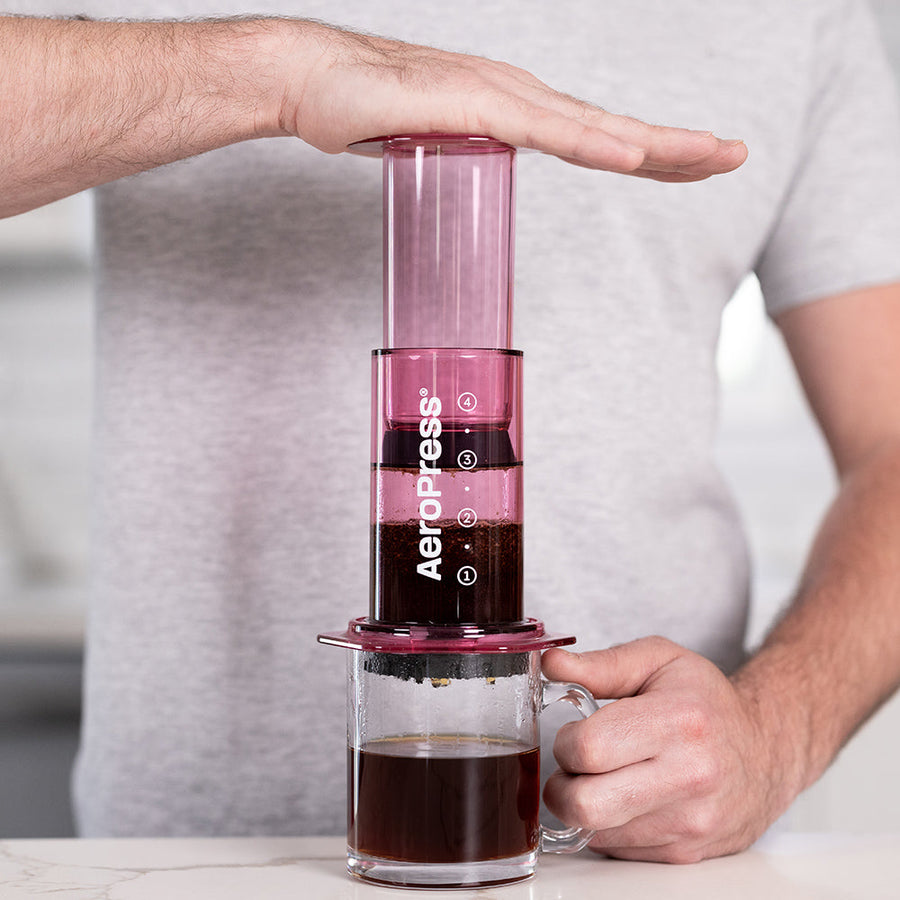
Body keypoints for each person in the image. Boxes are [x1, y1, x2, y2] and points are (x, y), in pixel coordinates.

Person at [2, 0, 899, 864]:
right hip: (177, 864)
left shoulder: (798, 16)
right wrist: (279, 71)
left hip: (633, 853)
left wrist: (773, 732)